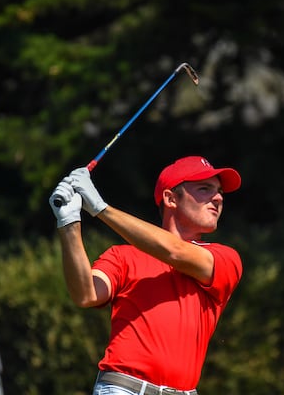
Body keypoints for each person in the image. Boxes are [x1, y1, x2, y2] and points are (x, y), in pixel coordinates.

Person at [48, 156, 243, 395]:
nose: (218, 198)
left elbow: (175, 251)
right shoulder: (122, 256)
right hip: (123, 388)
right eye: (205, 189)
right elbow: (86, 294)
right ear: (170, 198)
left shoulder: (225, 258)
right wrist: (69, 224)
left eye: (219, 191)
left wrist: (101, 209)